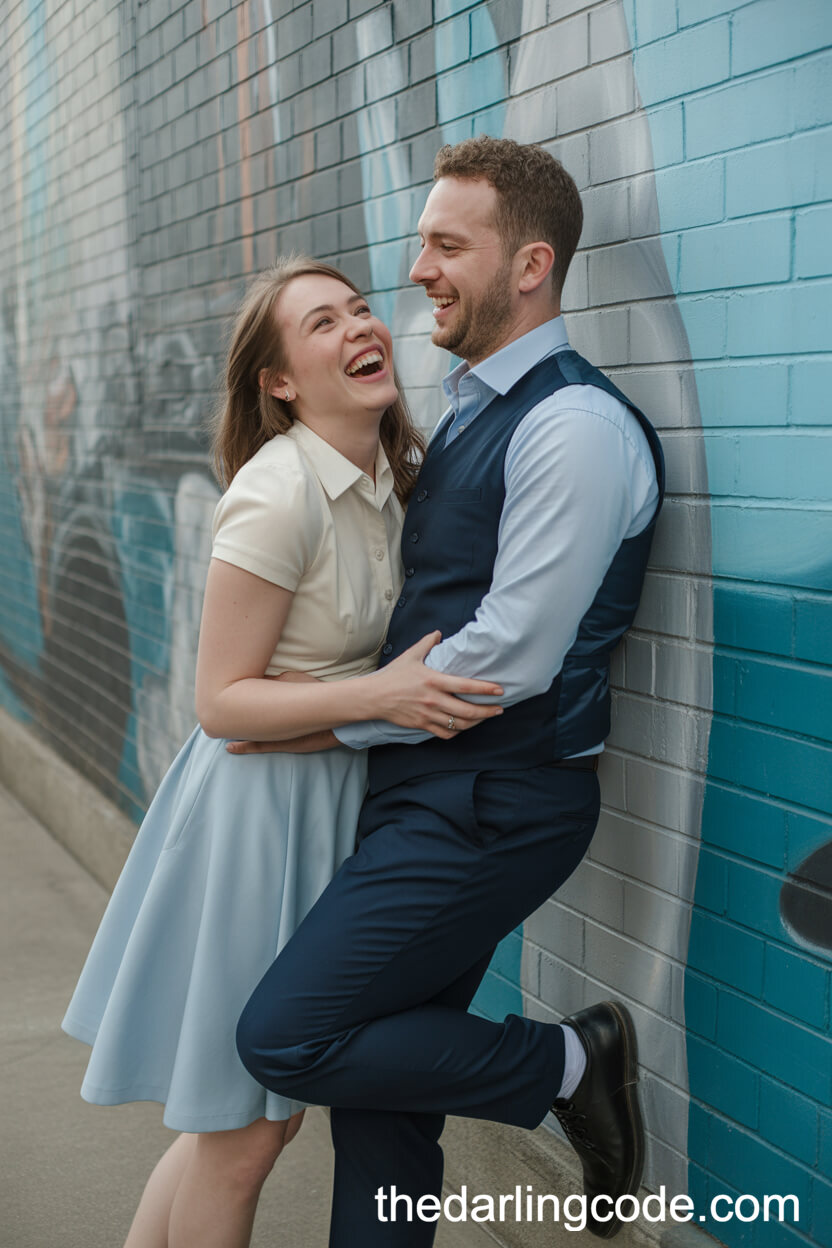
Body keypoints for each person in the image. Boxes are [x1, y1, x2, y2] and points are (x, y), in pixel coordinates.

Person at [233, 137, 665, 1244]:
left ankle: (570, 1060)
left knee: (287, 1037)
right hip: (431, 794)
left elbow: (509, 657)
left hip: (491, 804)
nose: (417, 267)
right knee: (383, 1112)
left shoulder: (571, 424)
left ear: (528, 266)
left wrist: (318, 717)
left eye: (444, 244)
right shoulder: (474, 404)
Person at [61, 257, 504, 1248]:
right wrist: (382, 697)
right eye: (320, 324)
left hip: (322, 800)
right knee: (245, 1135)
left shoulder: (392, 477)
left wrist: (351, 713)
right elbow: (221, 702)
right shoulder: (278, 493)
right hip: (254, 825)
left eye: (358, 309)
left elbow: (313, 701)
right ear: (280, 382)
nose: (358, 328)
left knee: (243, 1120)